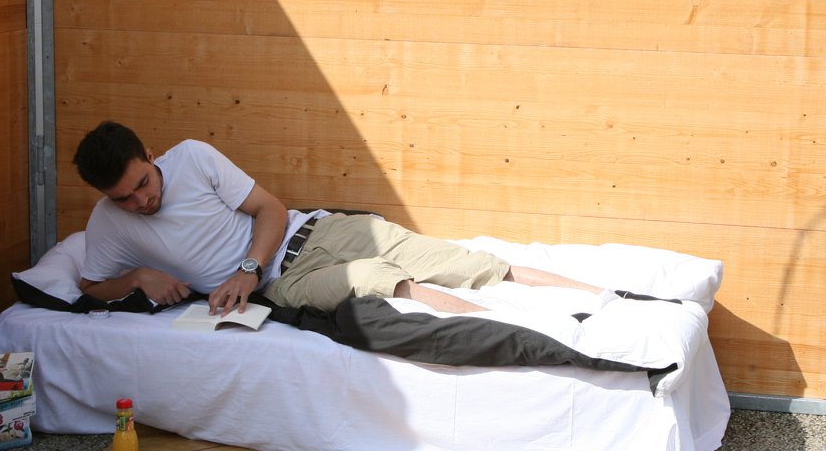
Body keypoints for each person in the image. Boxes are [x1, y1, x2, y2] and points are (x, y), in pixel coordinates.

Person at [71, 121, 602, 316]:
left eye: (142, 184)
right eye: (124, 199)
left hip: (316, 229)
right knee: (380, 280)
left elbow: (270, 209)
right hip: (285, 283)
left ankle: (603, 300)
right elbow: (91, 286)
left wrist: (245, 269)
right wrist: (138, 277)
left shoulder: (190, 157)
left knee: (459, 260)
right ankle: (520, 326)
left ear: (151, 154)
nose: (140, 203)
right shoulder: (109, 222)